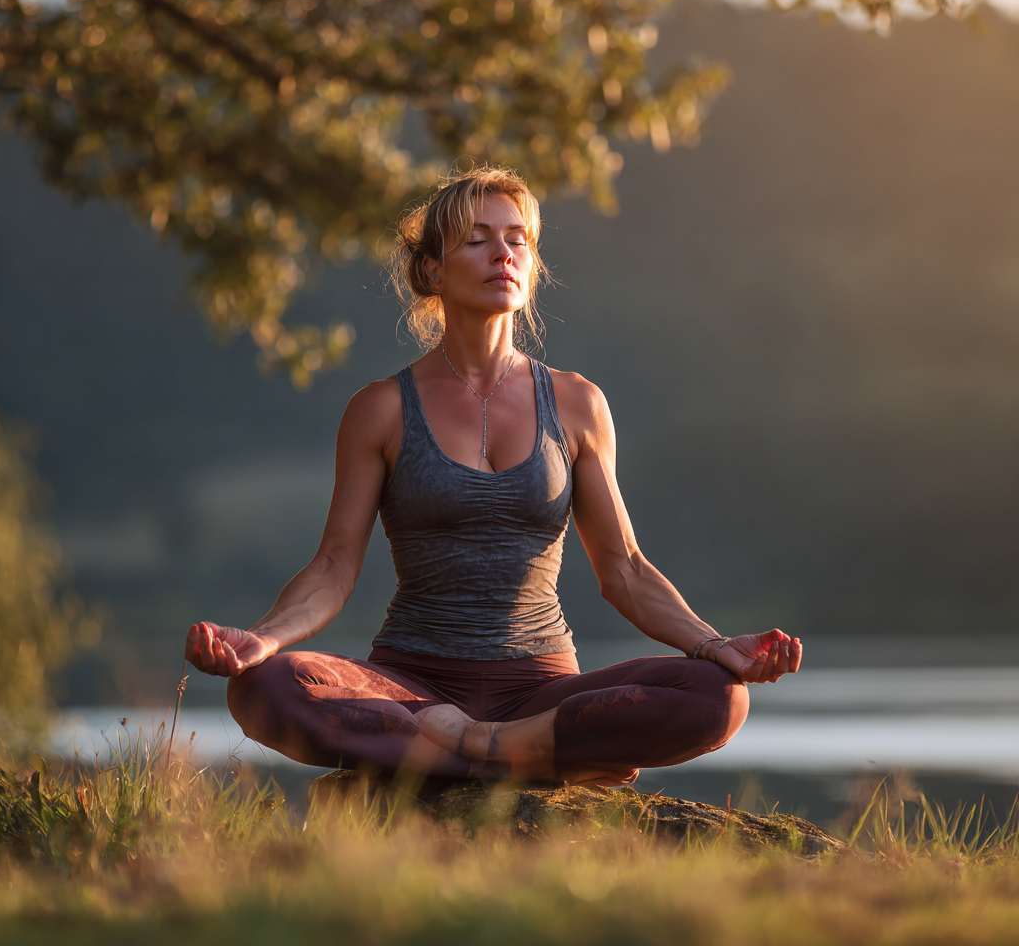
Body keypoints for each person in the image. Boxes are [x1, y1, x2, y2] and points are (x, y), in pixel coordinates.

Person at [185, 165, 802, 786]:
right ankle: (532, 755)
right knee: (264, 688)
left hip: (540, 689)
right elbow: (334, 568)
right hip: (413, 687)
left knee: (718, 695)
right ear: (432, 270)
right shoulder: (381, 410)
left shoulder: (577, 404)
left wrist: (715, 646)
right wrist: (259, 641)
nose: (503, 253)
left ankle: (479, 748)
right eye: (478, 239)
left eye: (518, 240)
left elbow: (624, 571)